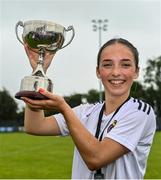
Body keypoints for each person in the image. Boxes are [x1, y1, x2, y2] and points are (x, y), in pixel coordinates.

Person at [22, 38, 156, 179]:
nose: (116, 72)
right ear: (98, 72)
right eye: (107, 64)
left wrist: (64, 108)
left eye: (125, 65)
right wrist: (38, 71)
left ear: (136, 72)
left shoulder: (141, 112)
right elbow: (35, 126)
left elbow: (96, 158)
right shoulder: (85, 112)